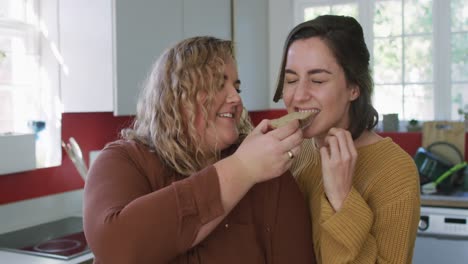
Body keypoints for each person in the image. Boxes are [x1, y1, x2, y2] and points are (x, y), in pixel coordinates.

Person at [84, 36, 315, 264]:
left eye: (237, 87)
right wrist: (243, 168)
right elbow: (114, 247)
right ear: (176, 98)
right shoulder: (124, 161)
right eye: (217, 85)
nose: (236, 98)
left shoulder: (269, 172)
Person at [273, 15, 420, 263]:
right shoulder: (295, 152)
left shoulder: (396, 172)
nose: (298, 96)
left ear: (354, 88)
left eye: (317, 80)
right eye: (291, 80)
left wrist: (341, 198)